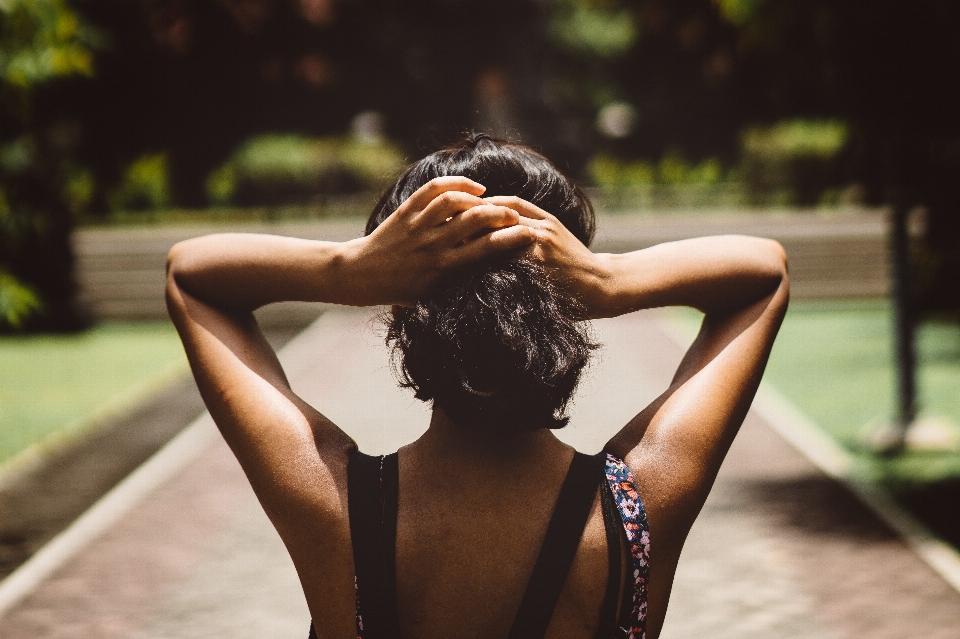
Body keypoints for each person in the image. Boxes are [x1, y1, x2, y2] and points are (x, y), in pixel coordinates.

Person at [165, 134, 788, 639]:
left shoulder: (337, 505)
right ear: (564, 302)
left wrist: (349, 271)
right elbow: (764, 275)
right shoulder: (635, 505)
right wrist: (610, 279)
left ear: (404, 308)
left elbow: (191, 278)